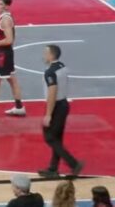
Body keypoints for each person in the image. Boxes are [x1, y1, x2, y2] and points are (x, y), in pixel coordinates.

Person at [38, 44, 84, 177]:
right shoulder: (62, 67)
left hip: (56, 105)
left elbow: (52, 92)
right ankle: (53, 168)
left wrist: (48, 114)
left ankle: (74, 164)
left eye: (45, 53)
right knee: (57, 137)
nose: (44, 56)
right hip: (64, 104)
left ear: (51, 55)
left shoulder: (50, 72)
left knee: (50, 137)